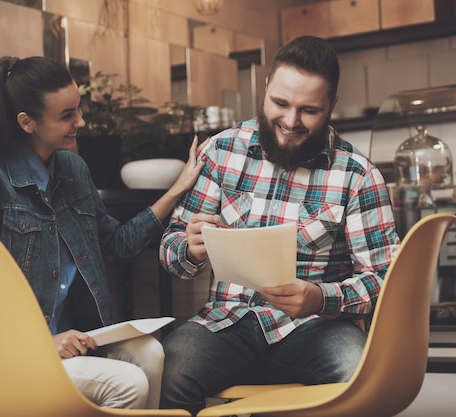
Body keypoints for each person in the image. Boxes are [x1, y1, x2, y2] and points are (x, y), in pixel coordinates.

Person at [0, 55, 206, 409]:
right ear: (27, 122)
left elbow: (116, 245)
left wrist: (176, 190)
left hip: (75, 339)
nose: (80, 122)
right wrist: (40, 342)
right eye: (66, 115)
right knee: (127, 382)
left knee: (151, 353)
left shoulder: (73, 170)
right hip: (9, 353)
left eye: (78, 109)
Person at [158, 35, 401, 416]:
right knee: (169, 370)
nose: (290, 122)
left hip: (317, 328)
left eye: (309, 110)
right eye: (281, 103)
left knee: (358, 373)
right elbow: (171, 253)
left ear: (331, 106)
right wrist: (187, 248)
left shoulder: (358, 175)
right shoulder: (222, 152)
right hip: (226, 323)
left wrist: (321, 297)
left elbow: (388, 279)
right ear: (266, 86)